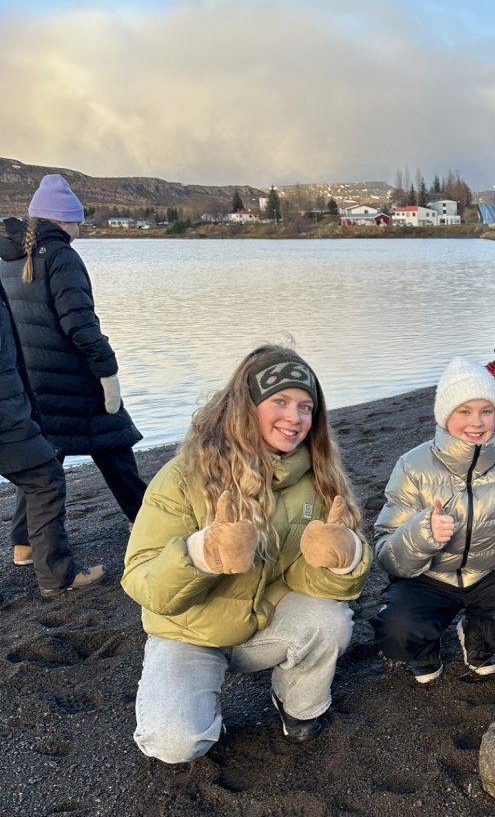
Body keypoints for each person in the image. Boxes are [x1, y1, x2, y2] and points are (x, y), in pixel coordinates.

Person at [121, 345, 371, 763]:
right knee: (174, 744)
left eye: (306, 407)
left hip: (262, 621)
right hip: (190, 630)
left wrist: (344, 557)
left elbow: (309, 583)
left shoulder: (320, 478)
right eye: (280, 402)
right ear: (245, 406)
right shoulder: (184, 475)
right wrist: (202, 554)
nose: (294, 418)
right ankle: (198, 709)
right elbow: (141, 581)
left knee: (331, 619)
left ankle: (297, 706)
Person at [372, 356, 495, 682]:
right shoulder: (412, 465)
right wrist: (421, 534)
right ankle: (425, 649)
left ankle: (477, 633)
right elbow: (386, 554)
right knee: (395, 631)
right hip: (428, 579)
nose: (476, 423)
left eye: (486, 411)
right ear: (445, 416)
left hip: (493, 574)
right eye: (464, 412)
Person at [0, 173, 146, 568]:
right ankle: (147, 521)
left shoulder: (10, 257)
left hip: (32, 380)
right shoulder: (62, 257)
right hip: (75, 378)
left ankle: (24, 543)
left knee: (42, 457)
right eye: (77, 221)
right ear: (63, 221)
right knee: (115, 444)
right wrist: (108, 369)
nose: (80, 228)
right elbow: (80, 324)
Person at [0, 280, 104, 595]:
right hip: (7, 409)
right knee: (45, 478)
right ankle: (56, 576)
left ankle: (30, 553)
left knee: (42, 476)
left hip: (16, 399)